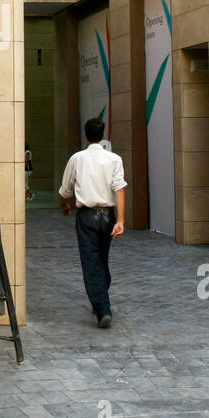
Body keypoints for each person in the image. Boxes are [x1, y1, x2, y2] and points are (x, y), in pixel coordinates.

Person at [58, 118, 126, 327]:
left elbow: (65, 189)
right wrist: (121, 220)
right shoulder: (114, 159)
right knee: (102, 258)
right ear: (103, 135)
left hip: (87, 215)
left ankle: (102, 308)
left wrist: (66, 205)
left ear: (85, 135)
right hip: (108, 215)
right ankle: (100, 300)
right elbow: (120, 189)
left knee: (91, 261)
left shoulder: (77, 159)